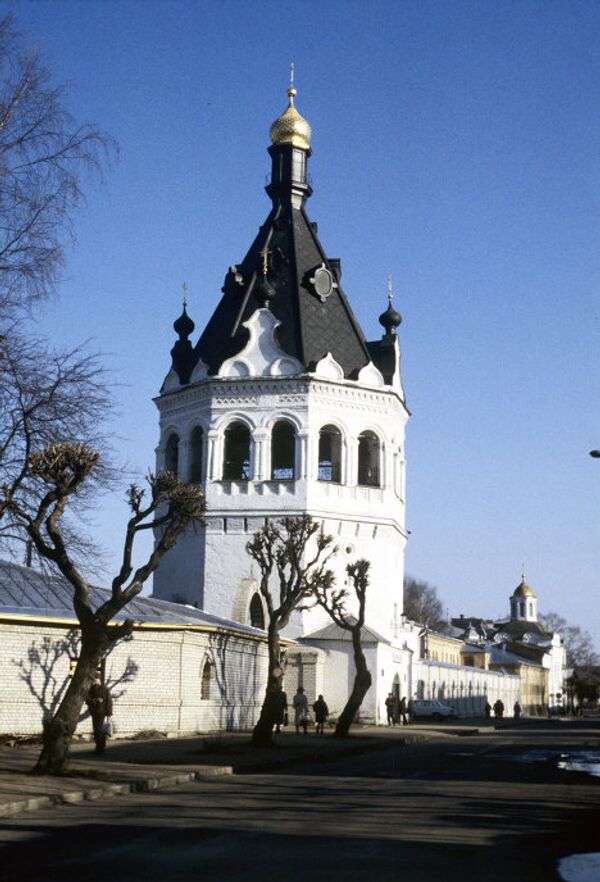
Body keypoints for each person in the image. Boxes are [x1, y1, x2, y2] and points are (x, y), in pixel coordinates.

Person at [86, 676, 113, 754]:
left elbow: (109, 702)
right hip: (94, 712)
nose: (93, 681)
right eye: (93, 680)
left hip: (101, 713)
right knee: (96, 731)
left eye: (95, 680)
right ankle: (100, 746)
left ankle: (100, 748)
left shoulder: (104, 689)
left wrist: (109, 714)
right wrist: (96, 700)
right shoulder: (91, 689)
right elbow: (87, 700)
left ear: (99, 680)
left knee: (98, 730)